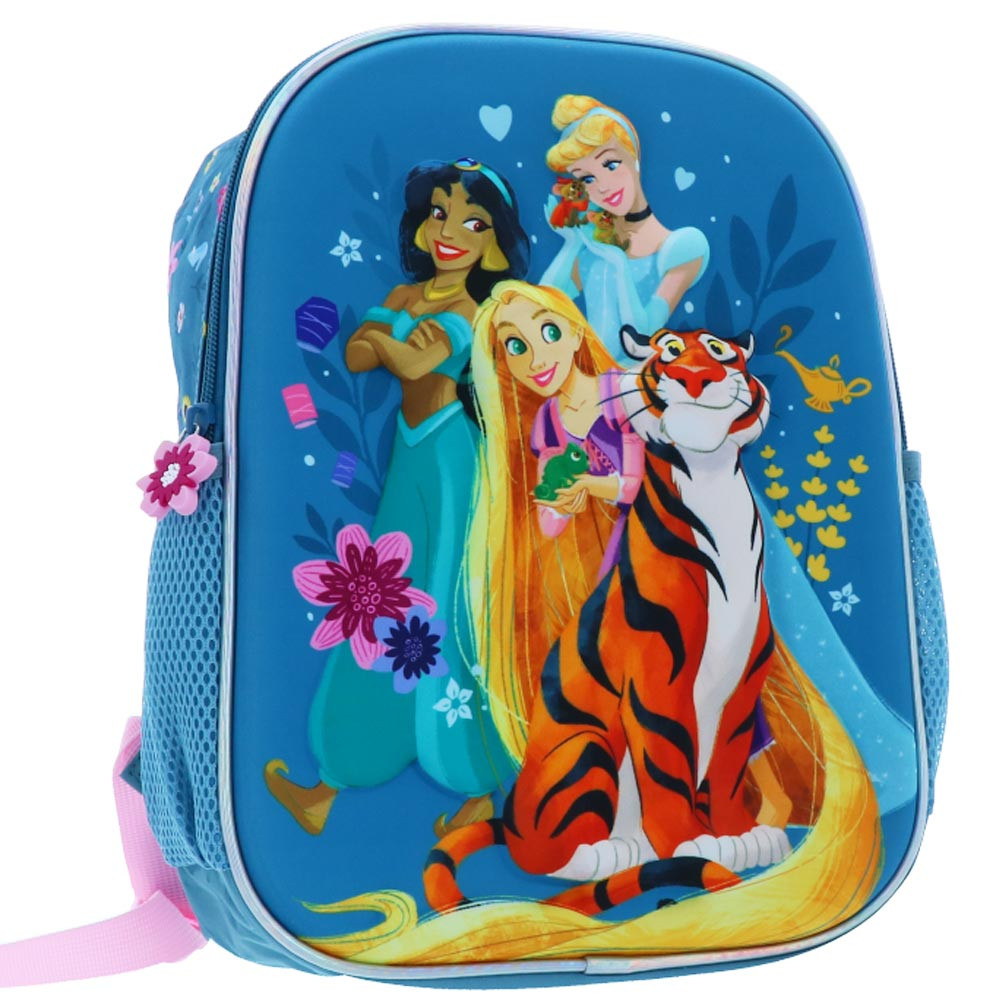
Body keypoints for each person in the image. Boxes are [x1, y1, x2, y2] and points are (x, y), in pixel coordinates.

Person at [266, 158, 529, 838]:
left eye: (473, 224)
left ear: (494, 248)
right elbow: (359, 356)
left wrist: (386, 339)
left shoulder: (473, 311)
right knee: (377, 598)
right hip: (411, 455)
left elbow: (407, 362)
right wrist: (389, 342)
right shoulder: (410, 295)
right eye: (439, 214)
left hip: (452, 461)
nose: (450, 233)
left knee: (448, 599)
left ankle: (478, 786)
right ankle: (331, 781)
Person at [466, 280, 790, 824]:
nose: (536, 357)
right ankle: (648, 801)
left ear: (576, 332)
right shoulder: (548, 421)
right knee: (641, 680)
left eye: (548, 333)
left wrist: (590, 486)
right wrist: (561, 500)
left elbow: (643, 482)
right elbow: (549, 516)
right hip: (615, 563)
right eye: (515, 347)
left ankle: (762, 792)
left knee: (715, 662)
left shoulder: (624, 390)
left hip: (673, 545)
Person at [540, 96, 710, 362]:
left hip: (638, 381)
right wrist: (571, 244)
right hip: (588, 378)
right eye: (587, 178)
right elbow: (541, 310)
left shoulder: (681, 247)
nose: (603, 186)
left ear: (635, 158)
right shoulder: (592, 248)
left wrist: (619, 265)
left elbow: (643, 335)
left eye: (610, 164)